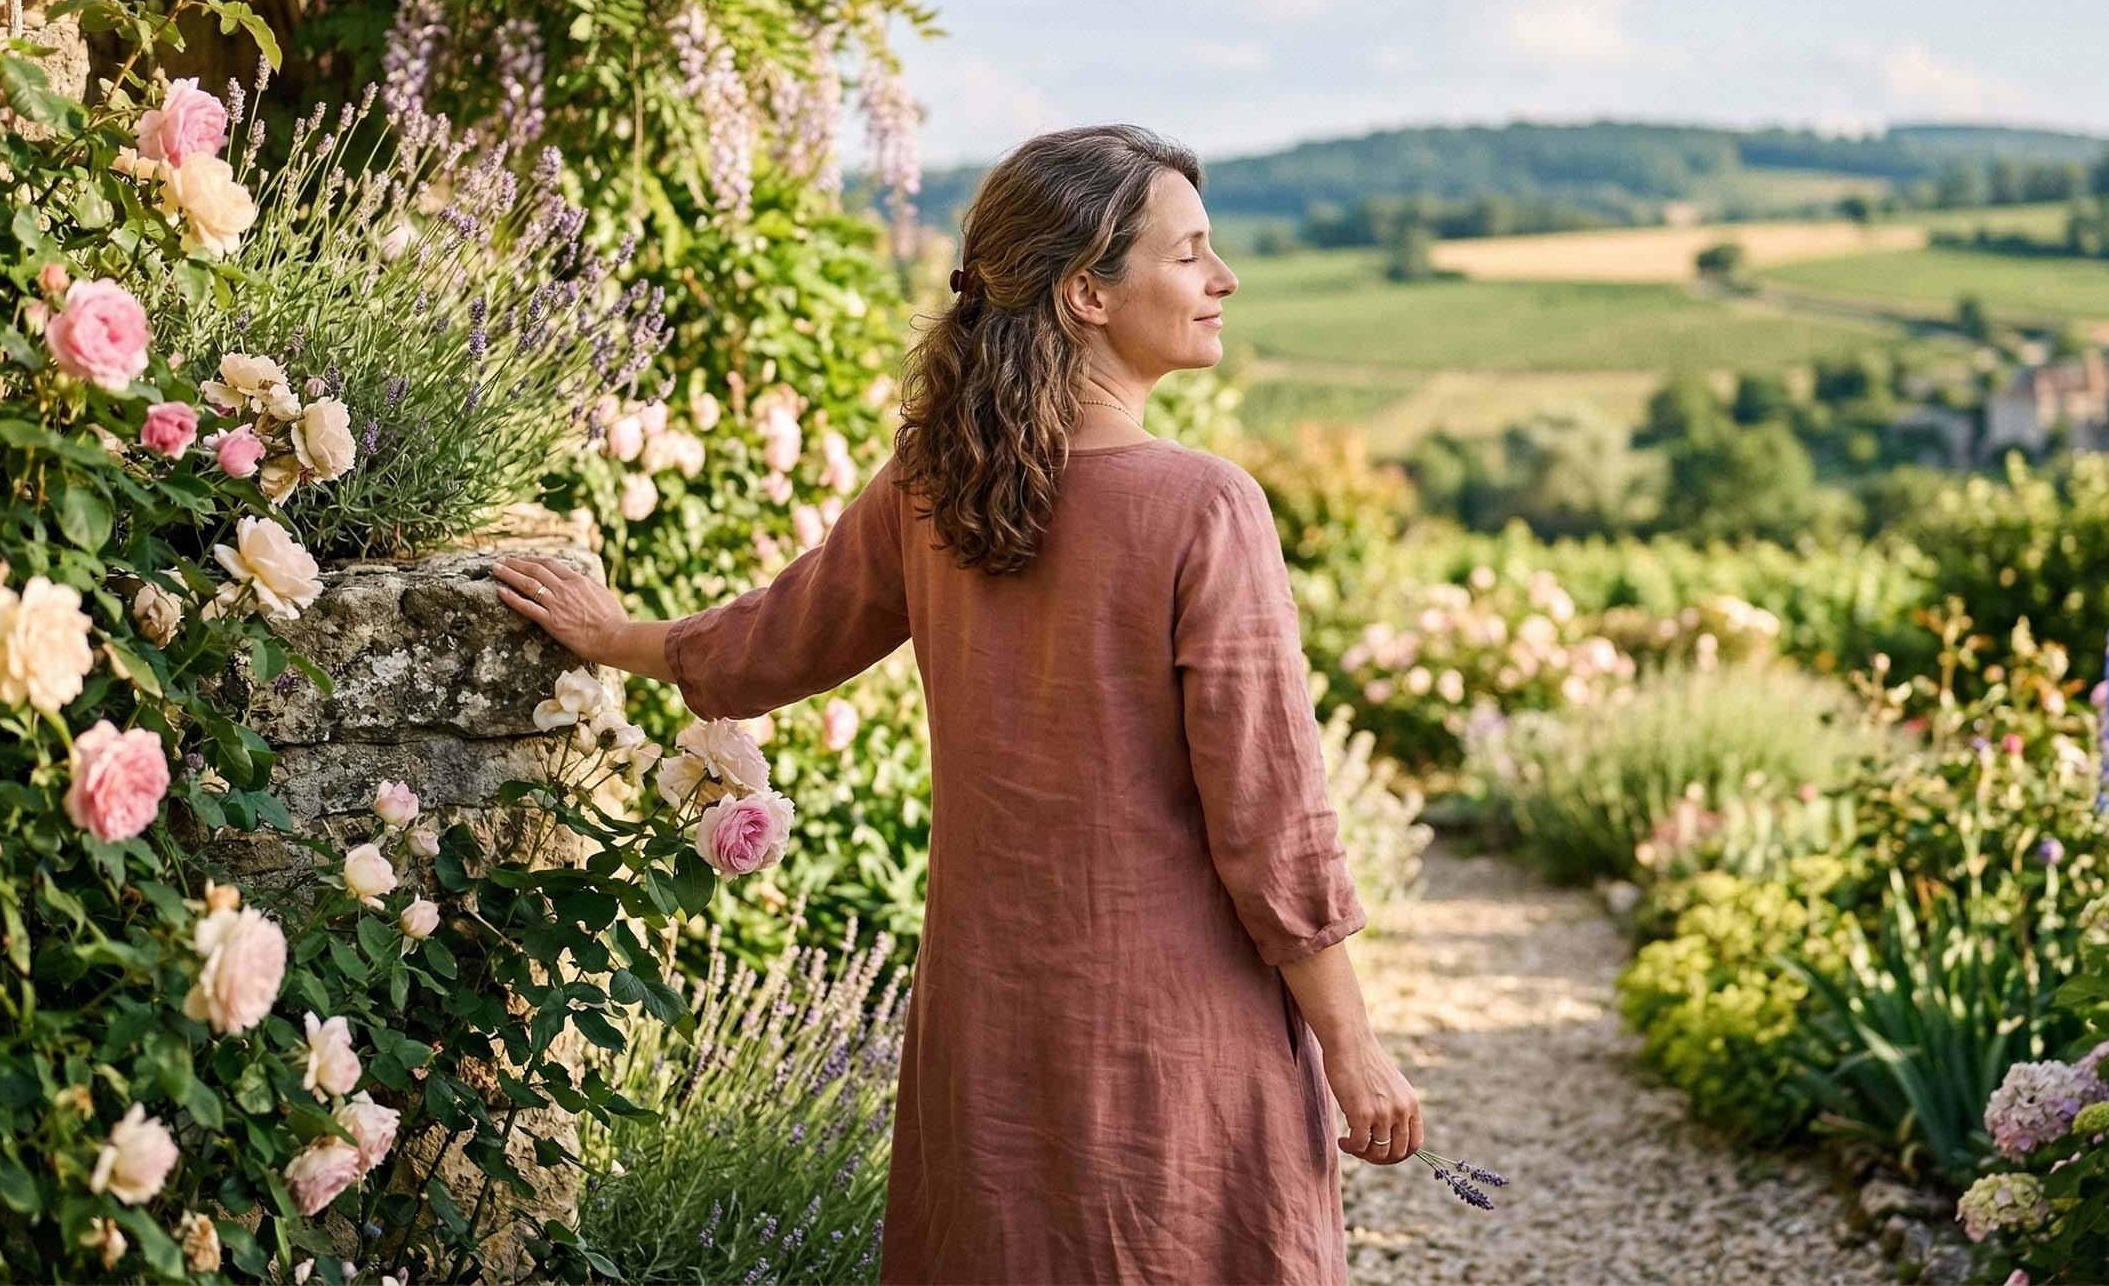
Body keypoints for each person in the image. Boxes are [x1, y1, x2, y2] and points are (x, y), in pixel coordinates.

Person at [494, 123, 1421, 1284]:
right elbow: (1272, 820)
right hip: (1173, 1035)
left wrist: (613, 635)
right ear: (1087, 290)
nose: (1223, 279)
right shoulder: (1205, 508)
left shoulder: (936, 487)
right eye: (1189, 255)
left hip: (990, 1023)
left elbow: (769, 648)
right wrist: (1354, 1048)